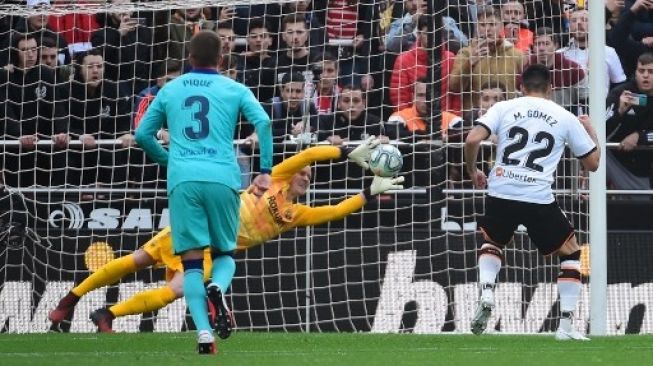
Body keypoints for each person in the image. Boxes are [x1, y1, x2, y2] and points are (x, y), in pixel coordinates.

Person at [48, 142, 404, 335]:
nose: (306, 177)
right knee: (138, 260)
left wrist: (368, 193)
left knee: (173, 289)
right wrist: (345, 153)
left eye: (309, 177)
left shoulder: (296, 215)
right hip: (200, 222)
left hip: (210, 245)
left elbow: (337, 211)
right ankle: (72, 298)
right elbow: (309, 153)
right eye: (303, 174)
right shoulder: (275, 178)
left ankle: (106, 313)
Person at [134, 31, 274, 354]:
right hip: (224, 177)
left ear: (190, 59)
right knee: (224, 254)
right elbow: (264, 122)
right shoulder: (235, 88)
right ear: (221, 59)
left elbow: (143, 134)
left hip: (183, 179)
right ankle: (218, 287)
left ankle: (204, 336)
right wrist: (265, 171)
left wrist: (170, 161)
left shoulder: (170, 90)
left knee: (191, 264)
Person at [464, 64, 600, 341]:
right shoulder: (565, 116)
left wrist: (472, 170)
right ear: (550, 89)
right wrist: (591, 130)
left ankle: (488, 290)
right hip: (537, 196)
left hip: (501, 190)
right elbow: (593, 163)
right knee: (571, 253)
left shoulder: (504, 107)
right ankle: (564, 327)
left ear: (521, 87)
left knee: (493, 242)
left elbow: (472, 138)